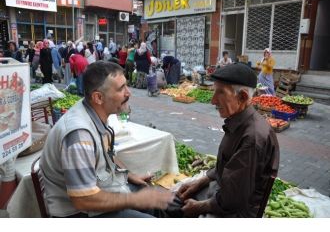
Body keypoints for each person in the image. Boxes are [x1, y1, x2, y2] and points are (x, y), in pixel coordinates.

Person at [40, 61, 173, 218]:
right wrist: (135, 200)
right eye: (121, 89)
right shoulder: (79, 136)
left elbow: (107, 153)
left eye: (126, 86)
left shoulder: (95, 112)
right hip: (79, 213)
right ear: (98, 97)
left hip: (99, 191)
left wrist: (129, 174)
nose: (128, 93)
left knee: (156, 201)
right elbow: (83, 199)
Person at [169, 63, 279, 218]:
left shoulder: (252, 138)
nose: (213, 101)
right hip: (222, 193)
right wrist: (201, 181)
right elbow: (226, 166)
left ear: (242, 97)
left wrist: (199, 206)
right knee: (170, 200)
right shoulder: (239, 122)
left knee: (172, 208)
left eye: (220, 93)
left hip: (234, 213)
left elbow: (233, 200)